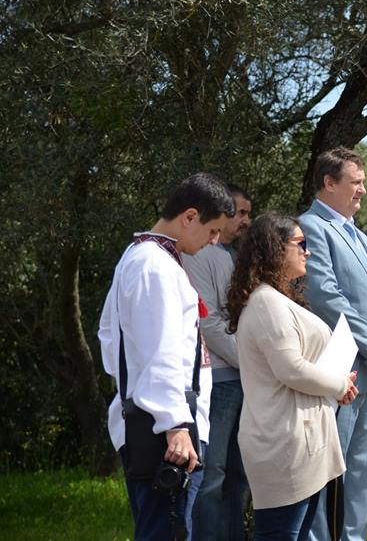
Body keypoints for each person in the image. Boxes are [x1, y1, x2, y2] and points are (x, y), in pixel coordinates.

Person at [98, 172, 235, 540]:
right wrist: (174, 424)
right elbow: (160, 351)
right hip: (165, 431)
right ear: (190, 216)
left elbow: (110, 339)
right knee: (168, 531)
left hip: (156, 421)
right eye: (213, 230)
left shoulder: (142, 256)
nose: (214, 241)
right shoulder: (154, 265)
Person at [227, 213, 359, 540]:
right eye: (301, 243)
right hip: (283, 441)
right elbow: (291, 369)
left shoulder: (276, 299)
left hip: (301, 438)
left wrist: (336, 385)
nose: (307, 251)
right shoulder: (266, 303)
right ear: (275, 247)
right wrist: (339, 384)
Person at [299, 147, 367, 541]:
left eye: (363, 182)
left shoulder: (359, 235)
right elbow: (326, 295)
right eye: (355, 182)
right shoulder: (311, 226)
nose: (363, 190)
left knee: (358, 472)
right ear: (329, 182)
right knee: (328, 469)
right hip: (338, 369)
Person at [184, 184, 252, 541]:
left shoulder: (232, 255)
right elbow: (208, 322)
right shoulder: (199, 255)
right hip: (221, 380)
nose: (245, 221)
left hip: (243, 380)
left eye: (247, 214)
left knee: (239, 475)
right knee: (213, 474)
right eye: (239, 213)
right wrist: (249, 362)